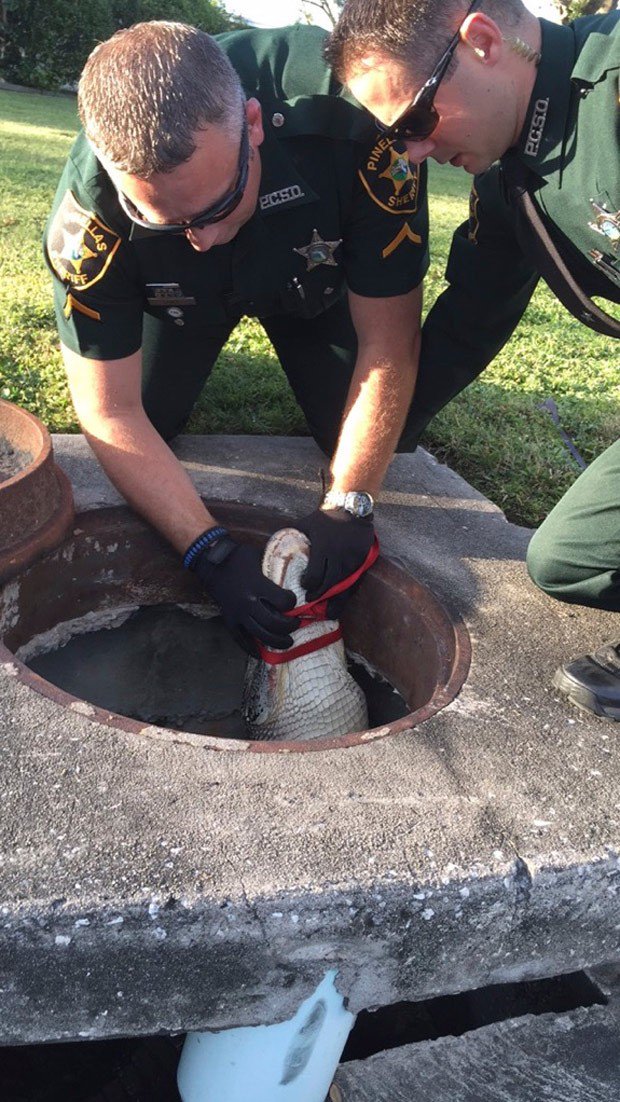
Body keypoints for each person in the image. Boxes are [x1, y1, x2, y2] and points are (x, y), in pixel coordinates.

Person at [44, 20, 429, 655]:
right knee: (152, 418)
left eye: (216, 207)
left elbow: (389, 344)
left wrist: (350, 502)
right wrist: (209, 550)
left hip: (311, 282)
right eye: (163, 221)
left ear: (253, 124)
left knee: (362, 433)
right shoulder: (90, 216)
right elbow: (109, 409)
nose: (201, 239)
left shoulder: (362, 122)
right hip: (179, 303)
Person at [328, 0, 620, 721]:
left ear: (481, 40)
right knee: (569, 561)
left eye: (415, 119)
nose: (412, 152)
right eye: (395, 136)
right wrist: (356, 468)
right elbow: (468, 322)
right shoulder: (508, 179)